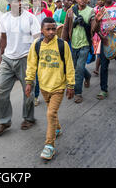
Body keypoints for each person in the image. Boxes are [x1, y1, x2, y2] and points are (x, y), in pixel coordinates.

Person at [25, 17, 75, 160]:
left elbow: (69, 65)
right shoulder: (36, 45)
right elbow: (31, 65)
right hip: (44, 86)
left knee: (50, 113)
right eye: (48, 29)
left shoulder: (62, 45)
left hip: (58, 86)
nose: (51, 32)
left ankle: (49, 145)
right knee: (51, 112)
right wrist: (29, 82)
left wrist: (70, 85)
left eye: (54, 28)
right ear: (42, 30)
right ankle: (57, 128)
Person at [0, 0, 41, 137]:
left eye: (20, 0)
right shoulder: (4, 18)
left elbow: (37, 39)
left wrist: (35, 59)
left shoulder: (31, 18)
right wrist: (0, 55)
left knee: (28, 91)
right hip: (7, 58)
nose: (19, 3)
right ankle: (4, 121)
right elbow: (3, 38)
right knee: (1, 90)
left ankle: (28, 118)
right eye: (15, 0)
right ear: (9, 3)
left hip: (25, 58)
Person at [62, 0, 94, 103]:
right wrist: (63, 43)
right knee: (76, 67)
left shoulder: (91, 11)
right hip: (73, 44)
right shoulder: (71, 11)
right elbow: (65, 28)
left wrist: (85, 24)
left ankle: (78, 93)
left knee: (79, 69)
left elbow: (93, 29)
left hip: (85, 44)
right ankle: (88, 76)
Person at [28, 0, 53, 106]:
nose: (37, 2)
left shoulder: (47, 13)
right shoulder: (27, 14)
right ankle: (36, 96)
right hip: (33, 47)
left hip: (47, 45)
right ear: (31, 2)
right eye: (35, 0)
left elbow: (53, 29)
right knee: (36, 72)